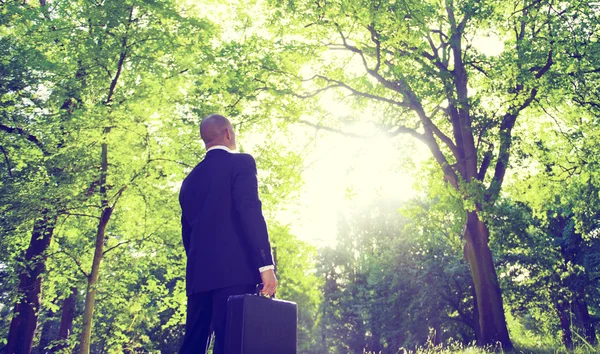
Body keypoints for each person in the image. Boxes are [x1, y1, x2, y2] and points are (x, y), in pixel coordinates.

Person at [178, 114, 278, 354]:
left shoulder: (189, 181)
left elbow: (187, 234)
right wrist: (265, 265)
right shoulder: (241, 163)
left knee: (193, 345)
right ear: (227, 134)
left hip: (198, 277)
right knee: (231, 344)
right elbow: (250, 213)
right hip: (234, 275)